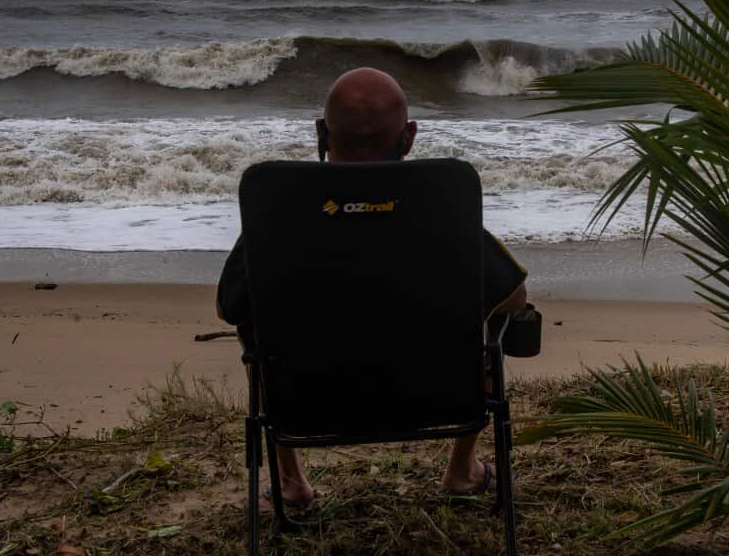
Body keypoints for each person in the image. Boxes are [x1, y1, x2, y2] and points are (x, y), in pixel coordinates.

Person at [216, 67, 528, 507]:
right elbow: (514, 298)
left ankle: (291, 482)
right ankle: (461, 470)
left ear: (323, 133)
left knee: (254, 328)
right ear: (410, 136)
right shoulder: (442, 212)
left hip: (307, 405)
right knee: (493, 317)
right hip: (437, 400)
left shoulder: (279, 217)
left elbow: (230, 307)